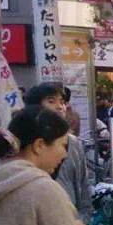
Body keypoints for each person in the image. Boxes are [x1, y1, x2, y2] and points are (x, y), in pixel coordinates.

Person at [26, 84, 92, 218]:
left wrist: (84, 216)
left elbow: (83, 182)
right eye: (51, 101)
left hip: (70, 217)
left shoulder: (73, 142)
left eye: (62, 102)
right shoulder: (25, 143)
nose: (60, 106)